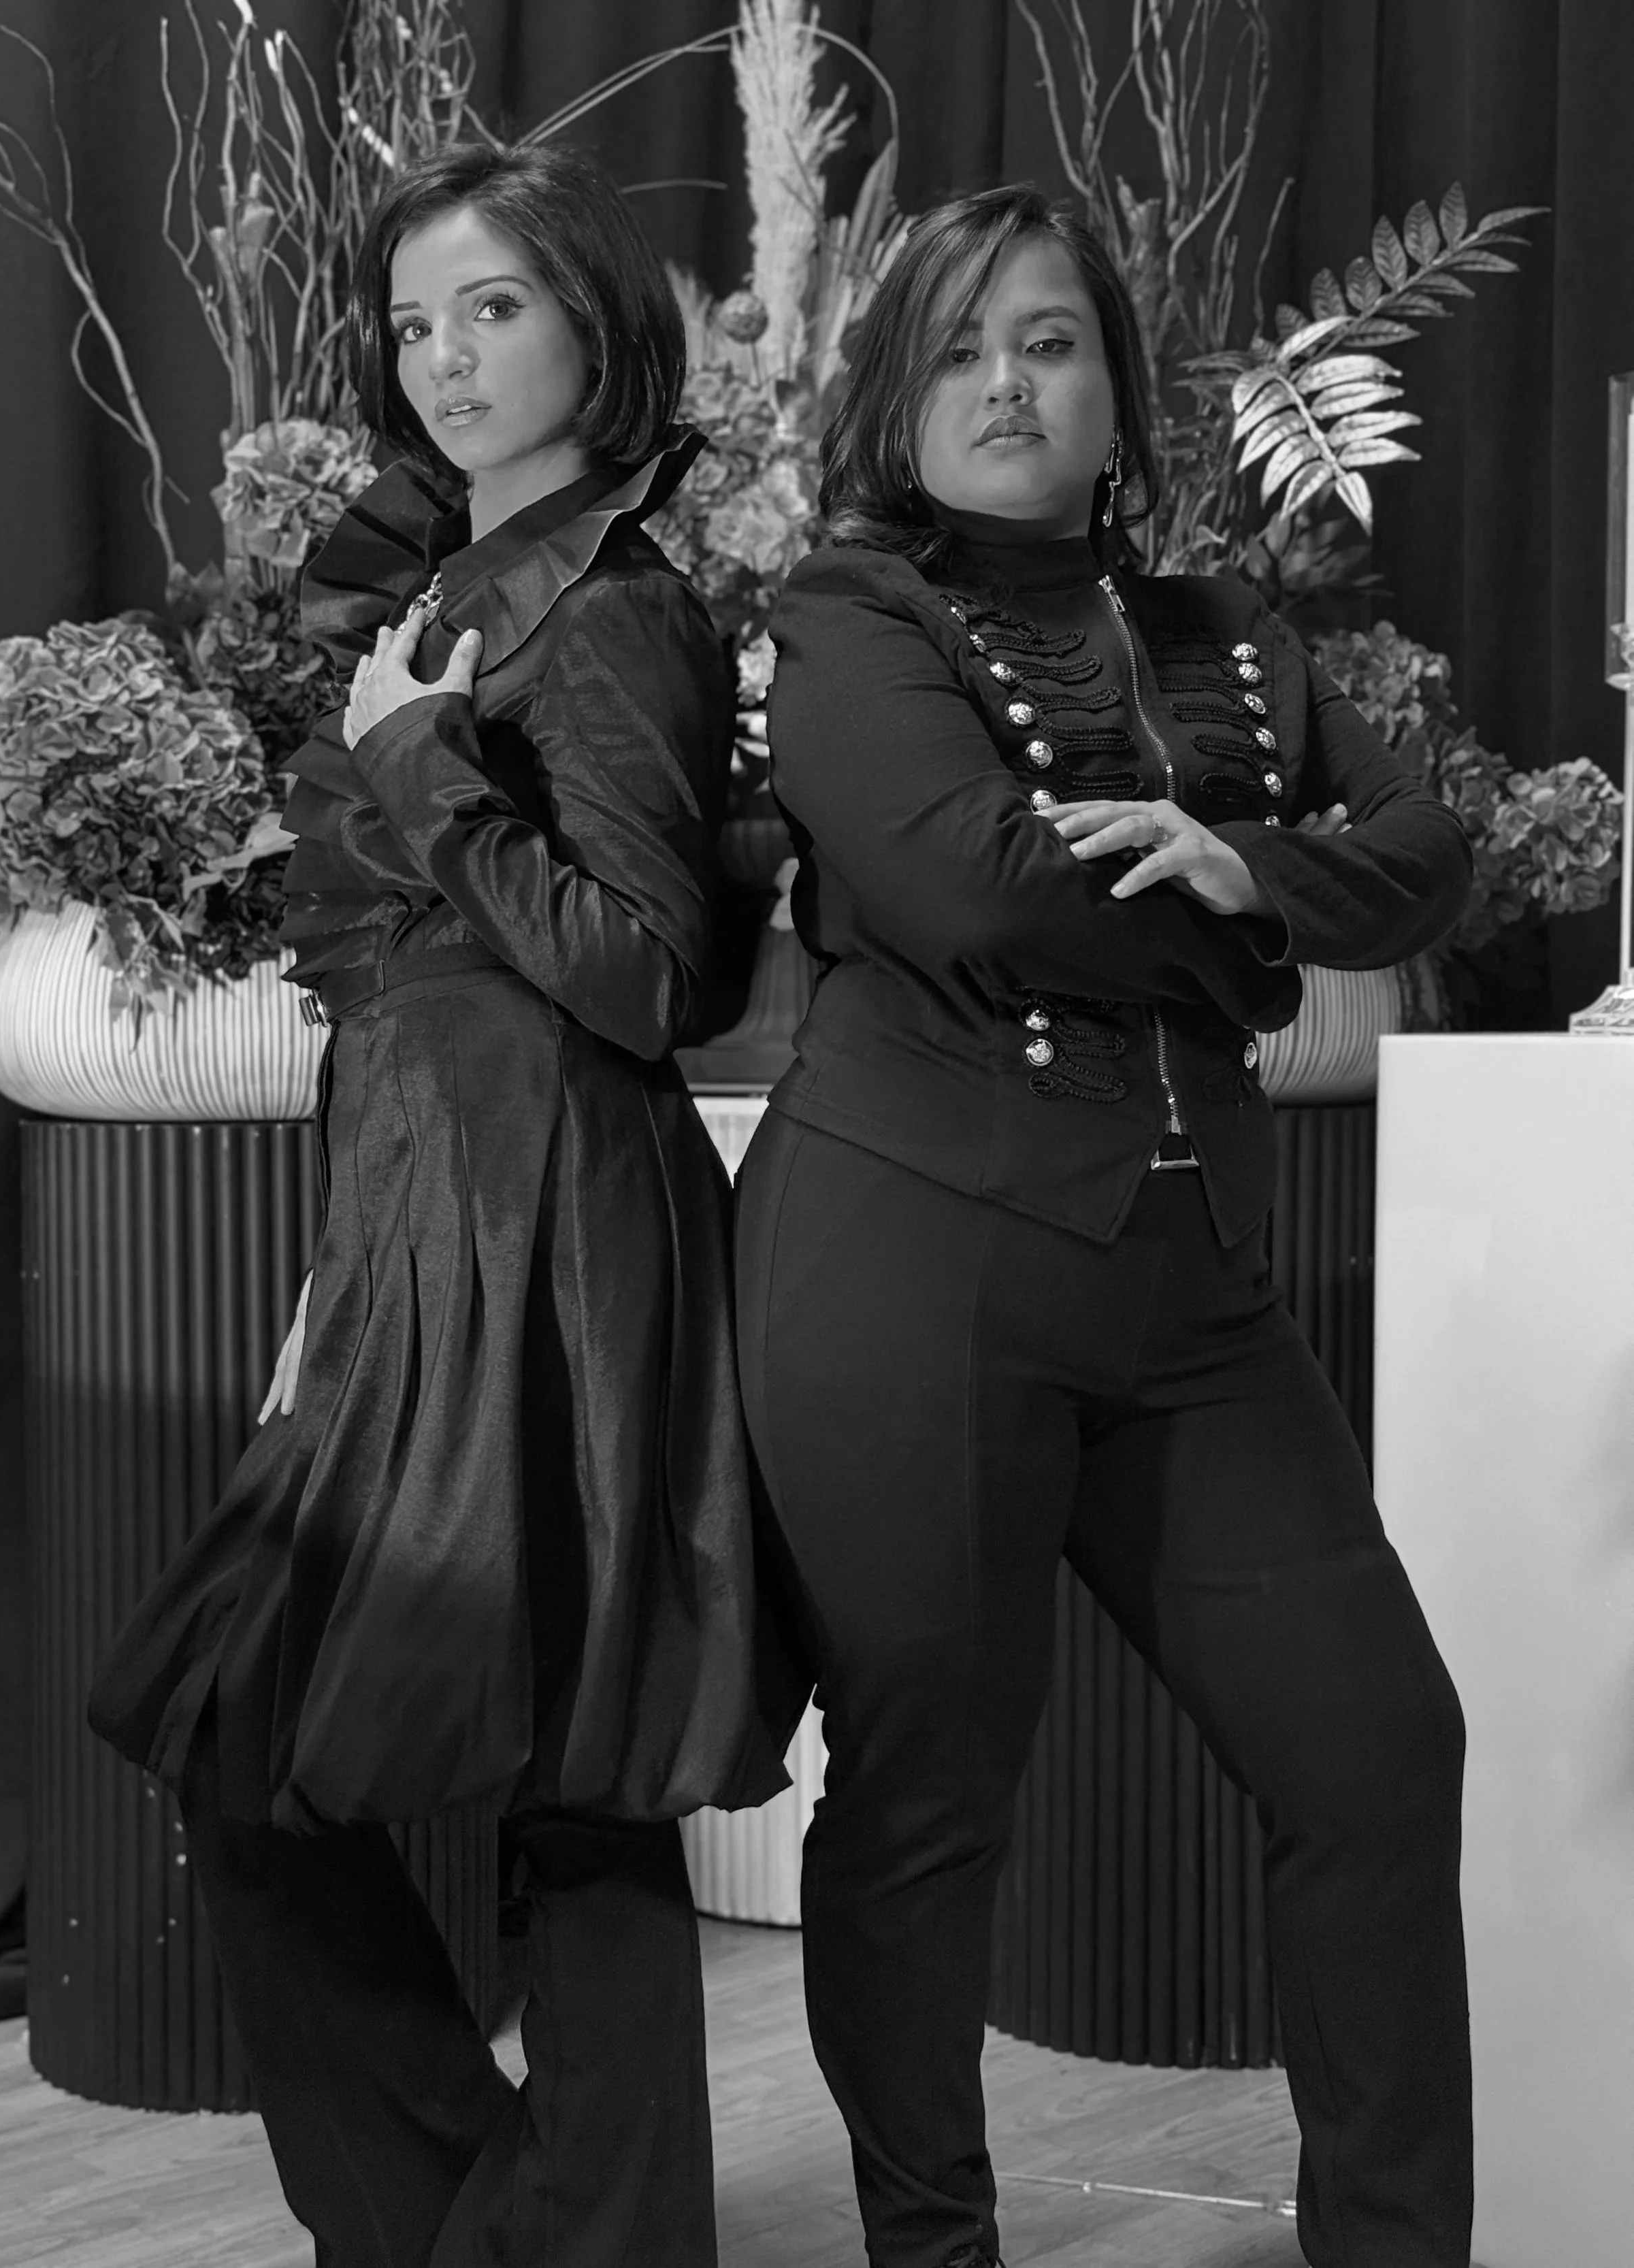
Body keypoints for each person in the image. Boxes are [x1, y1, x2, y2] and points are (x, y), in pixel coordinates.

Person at [736, 184, 1475, 2268]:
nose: (1006, 381)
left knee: (1374, 1749)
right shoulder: (848, 614)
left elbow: (1427, 844)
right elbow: (973, 882)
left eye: (1048, 341)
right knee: (924, 1800)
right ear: (903, 386)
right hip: (912, 1261)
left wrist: (1249, 874)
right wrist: (1248, 960)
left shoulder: (1235, 634)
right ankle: (932, 2249)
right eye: (964, 344)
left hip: (1190, 1291)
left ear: (1111, 391)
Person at [89, 140, 786, 2268]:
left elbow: (648, 974)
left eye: (491, 305)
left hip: (551, 1210)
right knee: (254, 1735)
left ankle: (551, 2229)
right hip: (420, 1199)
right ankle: (513, 2222)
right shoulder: (453, 591)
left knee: (567, 1781)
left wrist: (417, 764)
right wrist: (338, 1267)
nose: (447, 352)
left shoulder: (616, 599)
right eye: (413, 319)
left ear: (591, 314)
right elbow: (391, 983)